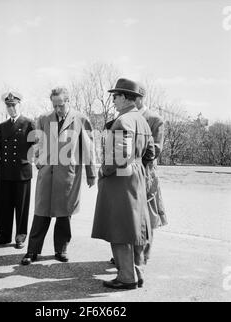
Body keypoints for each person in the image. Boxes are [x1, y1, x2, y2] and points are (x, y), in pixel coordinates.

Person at [21, 87, 96, 265]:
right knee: (41, 213)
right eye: (54, 106)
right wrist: (39, 162)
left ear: (68, 101)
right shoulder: (44, 119)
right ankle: (32, 251)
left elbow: (88, 148)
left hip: (68, 175)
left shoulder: (80, 119)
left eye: (61, 105)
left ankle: (60, 250)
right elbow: (38, 144)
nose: (57, 109)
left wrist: (91, 173)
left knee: (64, 214)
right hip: (47, 174)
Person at [91, 78, 155, 290]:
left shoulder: (123, 121)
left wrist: (104, 170)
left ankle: (127, 277)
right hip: (136, 175)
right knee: (134, 227)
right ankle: (137, 273)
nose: (113, 100)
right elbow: (151, 153)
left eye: (116, 96)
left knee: (119, 228)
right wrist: (139, 168)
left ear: (127, 98)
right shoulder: (142, 120)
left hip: (120, 179)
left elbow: (121, 155)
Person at [0, 92, 36, 249]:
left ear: (19, 104)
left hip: (22, 171)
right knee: (5, 206)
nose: (11, 108)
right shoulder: (3, 126)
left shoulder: (29, 123)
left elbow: (37, 144)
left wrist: (35, 157)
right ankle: (4, 235)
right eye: (8, 106)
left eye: (13, 105)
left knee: (21, 207)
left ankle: (20, 237)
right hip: (6, 172)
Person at [135, 85, 168, 263]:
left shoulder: (155, 119)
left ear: (140, 98)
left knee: (148, 215)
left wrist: (134, 160)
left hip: (146, 174)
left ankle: (143, 256)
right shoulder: (124, 117)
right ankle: (128, 255)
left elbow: (155, 148)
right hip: (127, 174)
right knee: (130, 214)